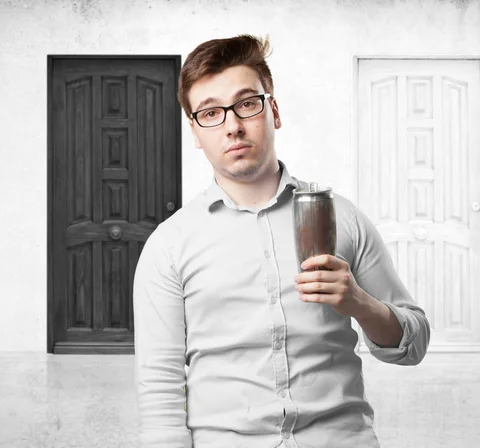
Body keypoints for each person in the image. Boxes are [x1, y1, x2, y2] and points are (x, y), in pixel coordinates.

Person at [133, 34, 431, 448]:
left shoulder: (342, 217)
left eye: (246, 103)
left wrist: (359, 303)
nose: (233, 125)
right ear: (195, 133)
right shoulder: (168, 246)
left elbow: (414, 343)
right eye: (211, 113)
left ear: (273, 110)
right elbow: (160, 391)